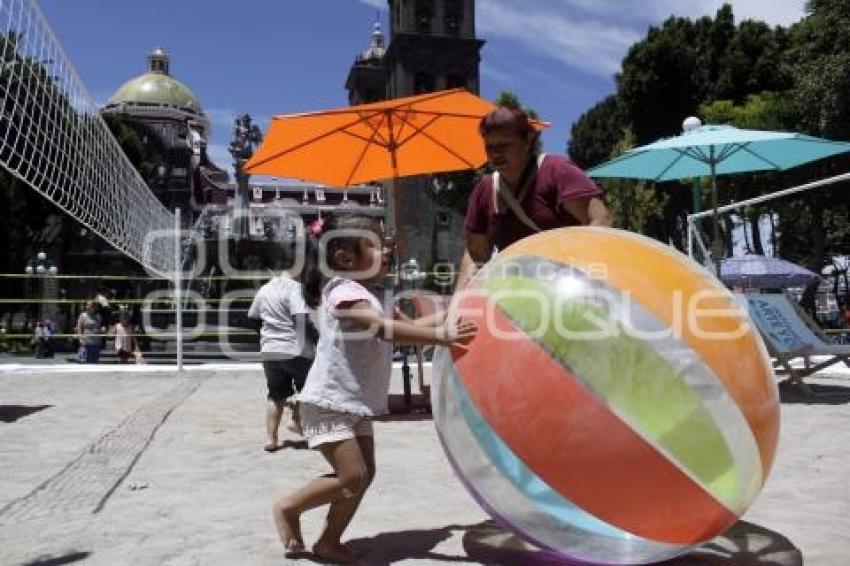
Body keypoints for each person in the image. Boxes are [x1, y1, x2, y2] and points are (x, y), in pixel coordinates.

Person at [272, 213, 476, 562]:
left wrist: (453, 311)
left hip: (353, 404)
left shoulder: (370, 295)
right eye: (378, 245)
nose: (388, 251)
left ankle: (328, 542)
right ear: (345, 259)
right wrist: (442, 337)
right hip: (330, 401)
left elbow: (409, 326)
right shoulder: (343, 291)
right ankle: (288, 507)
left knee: (362, 477)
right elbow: (383, 329)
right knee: (352, 475)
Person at [455, 106, 613, 294]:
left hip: (569, 289)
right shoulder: (484, 190)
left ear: (528, 140)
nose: (496, 154)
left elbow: (602, 221)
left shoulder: (556, 170)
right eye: (490, 147)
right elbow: (475, 256)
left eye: (504, 145)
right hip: (515, 293)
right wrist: (458, 302)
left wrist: (578, 273)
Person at [248, 244, 318, 452]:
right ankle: (297, 421)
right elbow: (301, 321)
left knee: (274, 395)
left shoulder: (265, 289)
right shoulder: (295, 289)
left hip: (270, 350)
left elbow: (252, 318)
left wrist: (267, 335)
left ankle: (271, 439)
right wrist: (318, 340)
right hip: (294, 348)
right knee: (309, 388)